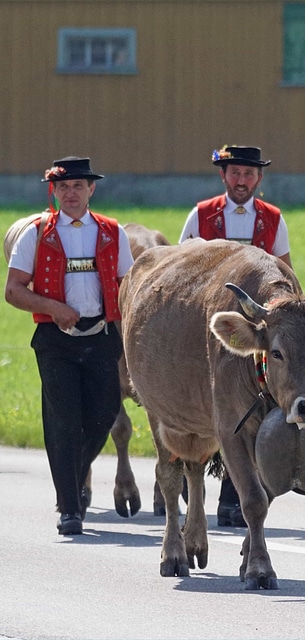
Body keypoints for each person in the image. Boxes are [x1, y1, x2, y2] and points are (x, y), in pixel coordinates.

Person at [4, 156, 135, 536]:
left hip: (102, 337)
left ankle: (71, 477)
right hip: (55, 340)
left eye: (79, 186)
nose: (72, 193)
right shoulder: (37, 233)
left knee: (104, 413)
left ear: (91, 189)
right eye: (64, 187)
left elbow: (128, 285)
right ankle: (70, 507)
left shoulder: (112, 232)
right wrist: (53, 308)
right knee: (64, 420)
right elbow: (13, 291)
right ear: (54, 191)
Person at [180, 145, 292, 527]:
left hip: (257, 331)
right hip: (210, 325)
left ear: (259, 179)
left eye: (248, 174)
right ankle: (189, 475)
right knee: (208, 403)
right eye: (234, 173)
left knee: (250, 408)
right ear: (223, 176)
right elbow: (183, 268)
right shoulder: (201, 214)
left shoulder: (273, 219)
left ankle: (234, 497)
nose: (241, 181)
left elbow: (283, 276)